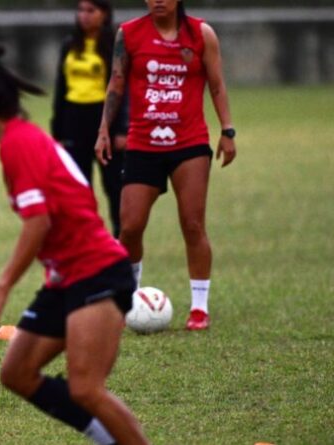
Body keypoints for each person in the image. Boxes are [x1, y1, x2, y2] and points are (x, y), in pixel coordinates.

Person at [0, 44, 149, 445]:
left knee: (87, 388)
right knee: (16, 373)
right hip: (66, 278)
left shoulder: (19, 144)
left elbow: (38, 223)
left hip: (96, 272)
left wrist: (0, 290)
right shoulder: (21, 138)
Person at [95, 0, 236, 331]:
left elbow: (217, 84)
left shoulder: (202, 34)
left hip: (189, 143)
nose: (157, 0)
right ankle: (129, 297)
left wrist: (227, 130)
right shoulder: (128, 34)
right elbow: (116, 82)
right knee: (130, 226)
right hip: (143, 143)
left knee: (192, 223)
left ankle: (199, 307)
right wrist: (104, 128)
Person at [51, 0, 128, 237]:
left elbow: (121, 88)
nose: (84, 16)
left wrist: (122, 128)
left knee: (114, 185)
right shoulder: (70, 45)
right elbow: (61, 88)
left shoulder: (114, 45)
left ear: (104, 14)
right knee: (79, 187)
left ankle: (119, 237)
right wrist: (58, 132)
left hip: (105, 119)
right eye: (81, 10)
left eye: (90, 11)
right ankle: (86, 238)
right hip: (74, 121)